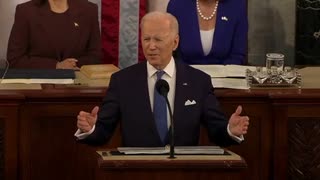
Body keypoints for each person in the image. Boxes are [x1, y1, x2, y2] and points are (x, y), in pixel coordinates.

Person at [75, 11, 249, 147]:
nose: (151, 46)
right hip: (136, 171)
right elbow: (103, 130)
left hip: (184, 171)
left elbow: (216, 129)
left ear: (175, 42)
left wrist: (230, 130)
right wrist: (90, 128)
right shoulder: (123, 81)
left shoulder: (198, 81)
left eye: (158, 39)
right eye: (146, 39)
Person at [7, 0, 101, 69]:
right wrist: (56, 66)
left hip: (80, 87)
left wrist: (72, 65)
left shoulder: (89, 10)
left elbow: (96, 56)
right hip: (38, 88)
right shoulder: (26, 11)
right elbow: (15, 59)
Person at [167, 0, 248, 65]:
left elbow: (237, 55)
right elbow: (171, 53)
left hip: (225, 77)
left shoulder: (237, 5)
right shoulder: (177, 5)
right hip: (185, 76)